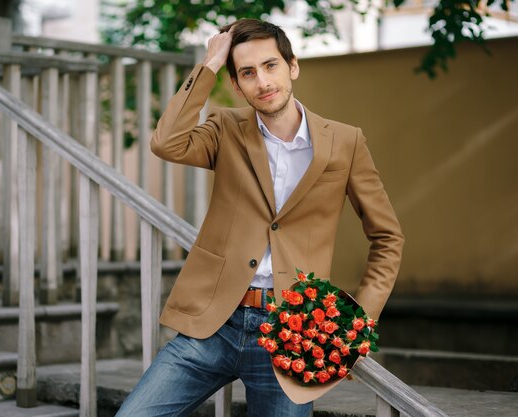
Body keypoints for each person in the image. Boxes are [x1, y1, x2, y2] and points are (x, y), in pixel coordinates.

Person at [116, 18, 404, 417]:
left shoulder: (345, 141)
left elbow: (388, 237)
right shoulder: (225, 128)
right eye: (248, 73)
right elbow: (167, 143)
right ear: (237, 85)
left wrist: (355, 326)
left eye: (271, 66)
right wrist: (210, 65)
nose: (263, 81)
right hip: (214, 322)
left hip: (294, 333)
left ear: (293, 66)